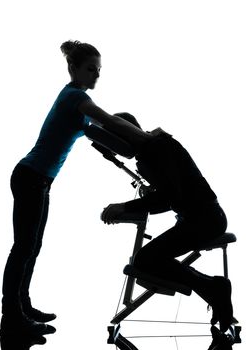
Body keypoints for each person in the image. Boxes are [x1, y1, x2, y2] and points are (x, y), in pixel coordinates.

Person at [1, 41, 148, 336]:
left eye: (99, 70)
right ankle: (12, 316)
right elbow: (106, 120)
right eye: (91, 69)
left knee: (32, 247)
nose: (96, 75)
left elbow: (106, 136)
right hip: (30, 177)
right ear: (73, 69)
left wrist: (135, 148)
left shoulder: (79, 111)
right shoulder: (74, 98)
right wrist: (149, 139)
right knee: (23, 248)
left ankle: (22, 304)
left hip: (39, 180)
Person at [99, 113, 234, 333]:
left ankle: (215, 287)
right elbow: (170, 200)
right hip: (198, 218)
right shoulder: (150, 150)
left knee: (144, 259)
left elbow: (169, 196)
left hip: (206, 219)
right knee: (145, 259)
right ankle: (214, 288)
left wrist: (125, 206)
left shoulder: (157, 148)